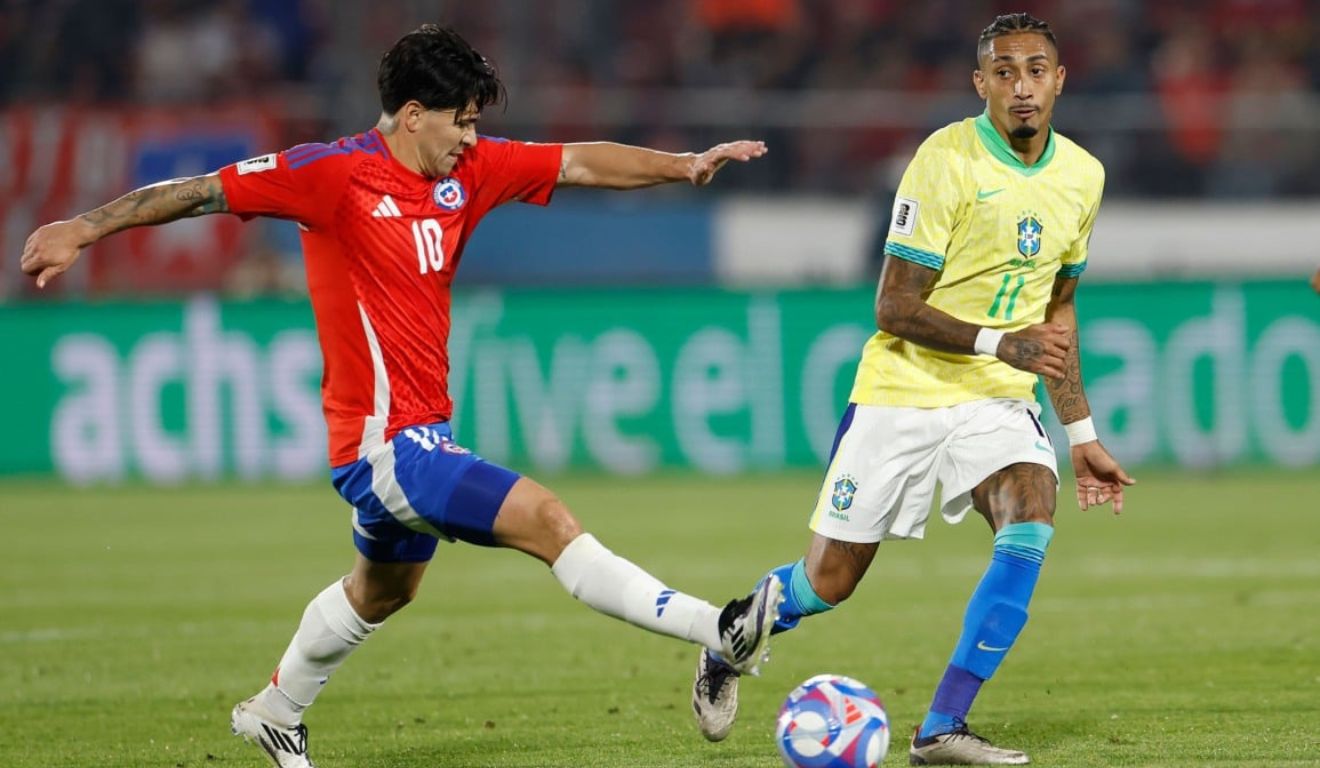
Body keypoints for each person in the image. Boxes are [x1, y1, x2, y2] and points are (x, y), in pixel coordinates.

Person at [21, 24, 782, 768]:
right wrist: (83, 229)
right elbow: (200, 193)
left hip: (416, 437)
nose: (471, 139)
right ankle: (717, 630)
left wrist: (682, 165)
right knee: (548, 520)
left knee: (382, 591)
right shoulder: (329, 174)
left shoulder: (468, 171)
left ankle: (276, 712)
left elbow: (579, 162)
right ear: (413, 115)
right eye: (462, 121)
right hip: (387, 443)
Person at [690, 13, 1135, 765]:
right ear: (980, 83)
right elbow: (893, 306)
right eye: (1004, 72)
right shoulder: (946, 158)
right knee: (829, 582)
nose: (1021, 87)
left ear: (1059, 80)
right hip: (905, 386)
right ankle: (729, 638)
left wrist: (1082, 435)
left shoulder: (1083, 176)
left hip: (998, 394)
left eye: (1035, 70)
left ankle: (942, 727)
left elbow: (1059, 309)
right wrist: (1003, 340)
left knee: (1031, 513)